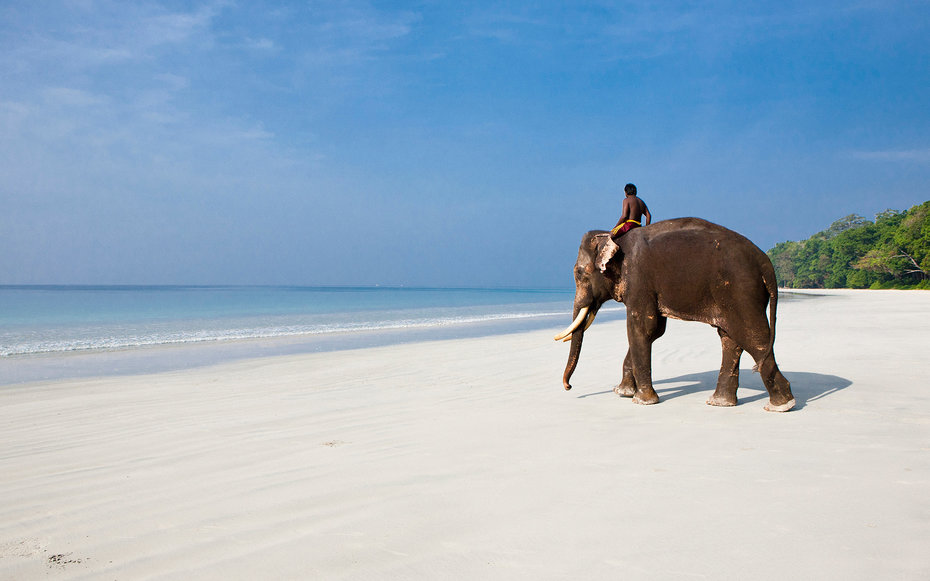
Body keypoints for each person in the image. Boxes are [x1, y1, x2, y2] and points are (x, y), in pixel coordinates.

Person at [596, 183, 651, 272]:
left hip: (629, 224)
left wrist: (615, 227)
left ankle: (605, 262)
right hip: (638, 225)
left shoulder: (626, 200)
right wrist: (646, 228)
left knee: (610, 236)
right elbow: (648, 215)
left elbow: (624, 216)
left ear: (626, 192)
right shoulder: (641, 201)